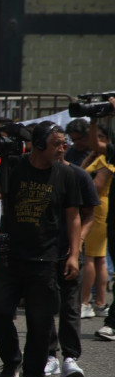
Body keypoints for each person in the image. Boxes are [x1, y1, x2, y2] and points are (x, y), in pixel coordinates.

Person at [0, 121, 81, 377]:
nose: (63, 149)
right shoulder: (14, 166)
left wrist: (73, 254)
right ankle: (11, 359)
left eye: (64, 144)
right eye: (57, 144)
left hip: (46, 259)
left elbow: (73, 216)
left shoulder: (66, 174)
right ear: (38, 146)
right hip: (9, 255)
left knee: (40, 322)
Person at [44, 147, 97, 377]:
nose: (58, 149)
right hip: (43, 251)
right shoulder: (38, 173)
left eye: (61, 144)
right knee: (43, 305)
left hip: (71, 250)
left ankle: (70, 358)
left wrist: (77, 246)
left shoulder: (79, 175)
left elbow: (89, 216)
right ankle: (49, 356)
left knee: (70, 305)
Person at [80, 124, 113, 318]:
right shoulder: (98, 157)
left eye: (102, 137)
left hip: (99, 207)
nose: (97, 141)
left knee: (93, 257)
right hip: (97, 206)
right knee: (98, 257)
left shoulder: (108, 160)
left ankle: (86, 302)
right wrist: (90, 157)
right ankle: (99, 302)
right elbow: (80, 171)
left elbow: (95, 185)